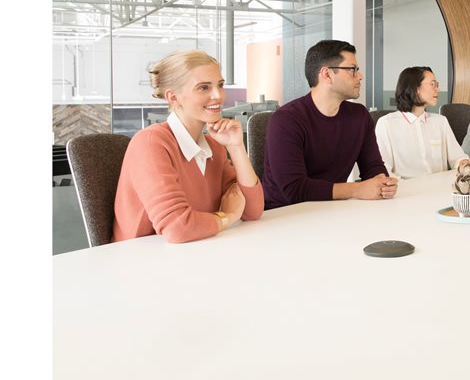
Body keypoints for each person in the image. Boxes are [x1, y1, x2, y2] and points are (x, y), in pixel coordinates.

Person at [113, 50, 264, 243]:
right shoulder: (150, 143)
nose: (218, 96)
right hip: (141, 263)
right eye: (203, 88)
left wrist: (236, 147)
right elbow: (178, 228)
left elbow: (252, 210)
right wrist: (228, 216)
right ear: (173, 97)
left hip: (192, 254)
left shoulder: (215, 147)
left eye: (220, 85)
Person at [261, 40, 398, 209]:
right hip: (284, 216)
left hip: (331, 210)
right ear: (326, 74)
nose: (360, 76)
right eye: (352, 69)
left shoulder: (359, 116)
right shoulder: (286, 120)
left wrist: (383, 184)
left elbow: (372, 166)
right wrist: (357, 189)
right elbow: (295, 189)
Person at [375, 66, 470, 179]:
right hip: (405, 191)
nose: (437, 89)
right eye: (432, 84)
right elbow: (383, 169)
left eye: (437, 85)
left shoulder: (440, 122)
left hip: (439, 190)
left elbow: (457, 158)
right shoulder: (386, 124)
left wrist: (463, 163)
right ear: (415, 88)